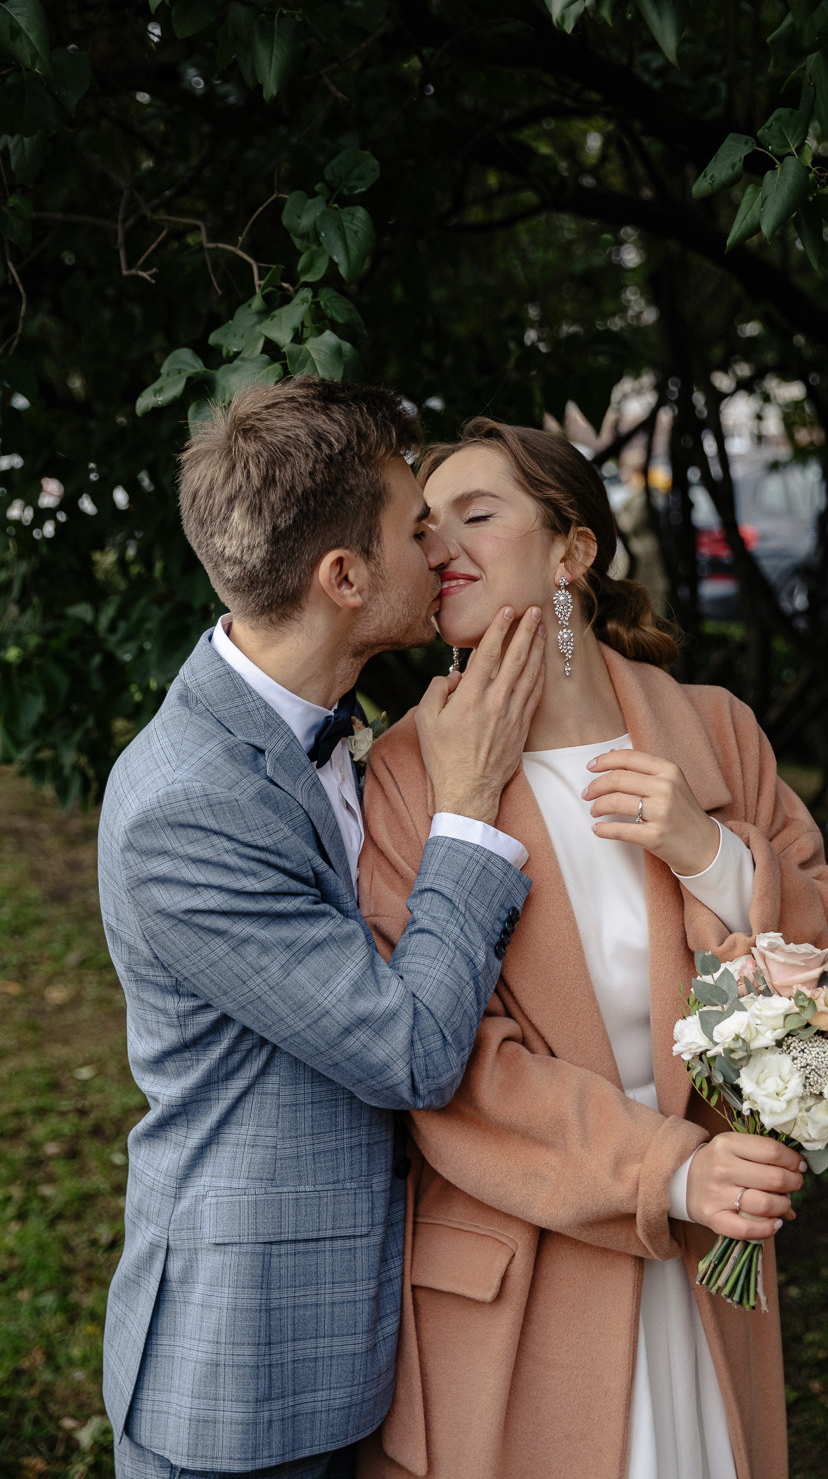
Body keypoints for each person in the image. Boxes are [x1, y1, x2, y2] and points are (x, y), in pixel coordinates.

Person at [356, 419, 828, 1479]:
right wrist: (672, 1174)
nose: (440, 542)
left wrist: (715, 857)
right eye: (424, 523)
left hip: (706, 1282)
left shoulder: (716, 732)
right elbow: (447, 1070)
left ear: (571, 552)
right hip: (525, 1293)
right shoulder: (406, 773)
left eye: (478, 514)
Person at [96, 381, 548, 1479]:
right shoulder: (184, 806)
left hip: (371, 1334)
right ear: (342, 578)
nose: (441, 537)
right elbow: (405, 1051)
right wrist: (468, 813)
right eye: (413, 525)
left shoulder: (339, 727)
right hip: (243, 1368)